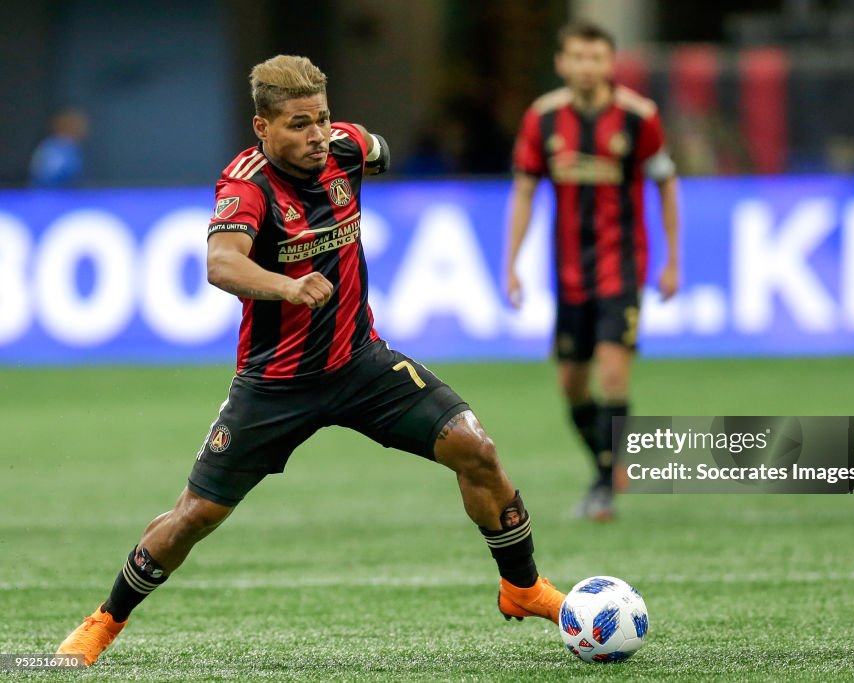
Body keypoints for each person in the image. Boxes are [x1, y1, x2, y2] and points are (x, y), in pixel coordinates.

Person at [56, 55, 564, 667]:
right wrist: (286, 285)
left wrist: (365, 150)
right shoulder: (246, 186)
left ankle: (523, 587)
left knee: (475, 448)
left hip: (360, 363)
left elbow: (377, 151)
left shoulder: (344, 149)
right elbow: (221, 264)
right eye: (299, 124)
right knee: (195, 517)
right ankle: (103, 622)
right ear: (261, 128)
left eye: (321, 119)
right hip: (275, 385)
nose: (317, 135)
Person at [504, 21, 681, 521]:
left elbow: (666, 184)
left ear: (610, 62)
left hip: (622, 267)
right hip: (568, 272)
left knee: (611, 372)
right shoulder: (542, 119)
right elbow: (524, 190)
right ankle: (609, 460)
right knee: (572, 385)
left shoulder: (638, 118)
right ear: (562, 63)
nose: (587, 66)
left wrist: (672, 259)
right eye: (577, 57)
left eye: (597, 57)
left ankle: (603, 484)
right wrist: (511, 262)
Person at [29, 108, 89, 187]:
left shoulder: (71, 148)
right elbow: (47, 178)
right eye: (78, 125)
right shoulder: (53, 148)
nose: (83, 130)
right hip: (49, 197)